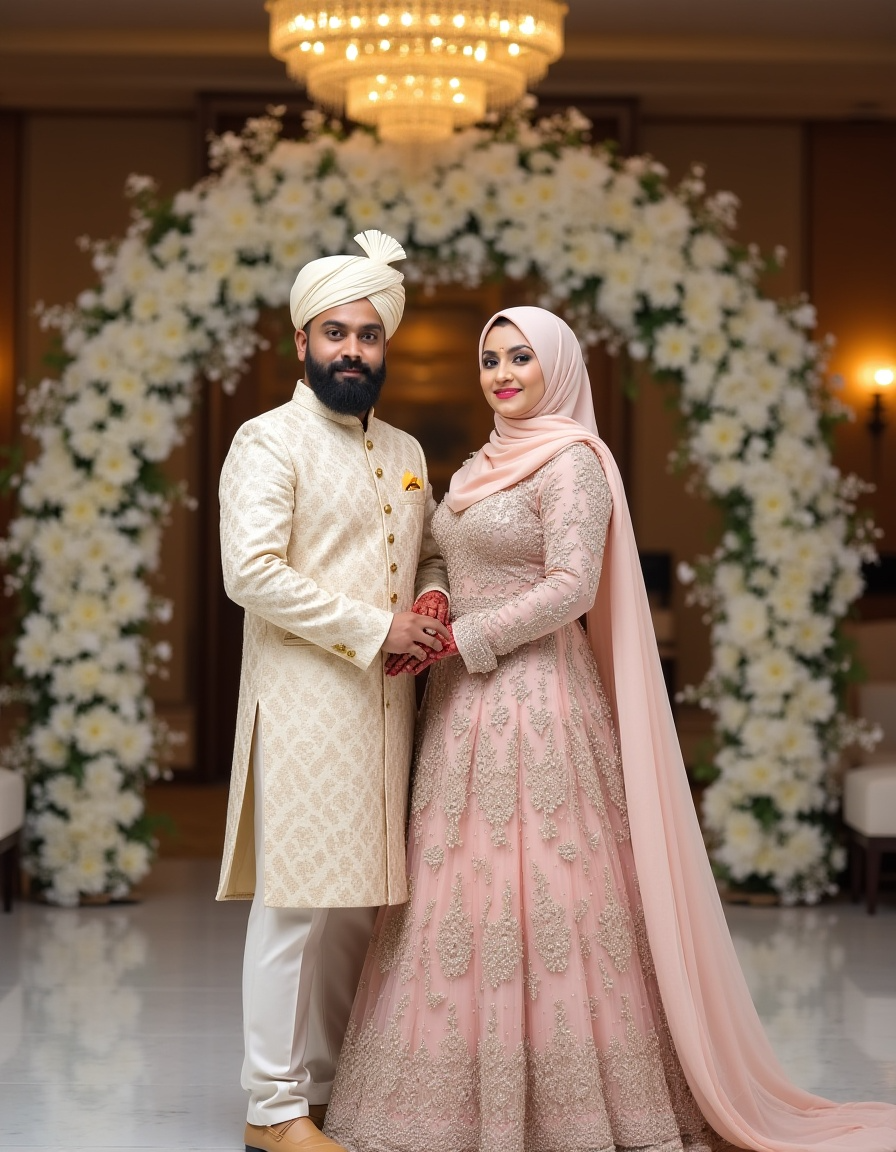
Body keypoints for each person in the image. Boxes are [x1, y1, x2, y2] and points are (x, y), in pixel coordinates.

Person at [323, 306, 896, 1152]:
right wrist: (438, 597)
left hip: (539, 702)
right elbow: (443, 547)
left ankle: (575, 1106)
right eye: (491, 358)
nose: (503, 373)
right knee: (460, 886)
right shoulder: (480, 463)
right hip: (459, 708)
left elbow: (571, 587)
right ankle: (445, 1102)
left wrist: (465, 639)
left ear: (558, 366)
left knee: (548, 889)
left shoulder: (574, 462)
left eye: (521, 357)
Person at [216, 230, 450, 1152]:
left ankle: (331, 1089)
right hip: (305, 707)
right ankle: (272, 1107)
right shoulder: (267, 440)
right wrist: (375, 628)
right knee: (294, 907)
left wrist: (431, 596)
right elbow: (251, 572)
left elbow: (427, 551)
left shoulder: (404, 447)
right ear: (302, 342)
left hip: (385, 713)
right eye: (335, 333)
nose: (353, 350)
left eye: (368, 335)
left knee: (359, 904)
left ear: (385, 345)